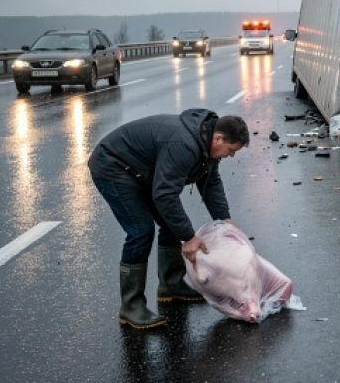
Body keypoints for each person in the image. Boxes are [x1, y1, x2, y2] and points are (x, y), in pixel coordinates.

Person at [88, 109, 250, 328]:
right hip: (113, 166)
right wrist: (189, 237)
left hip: (143, 172)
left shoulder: (206, 146)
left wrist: (224, 219)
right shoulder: (183, 145)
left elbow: (210, 183)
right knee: (140, 230)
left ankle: (171, 286)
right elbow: (164, 194)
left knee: (172, 224)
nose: (230, 156)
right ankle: (131, 306)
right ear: (218, 138)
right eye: (231, 150)